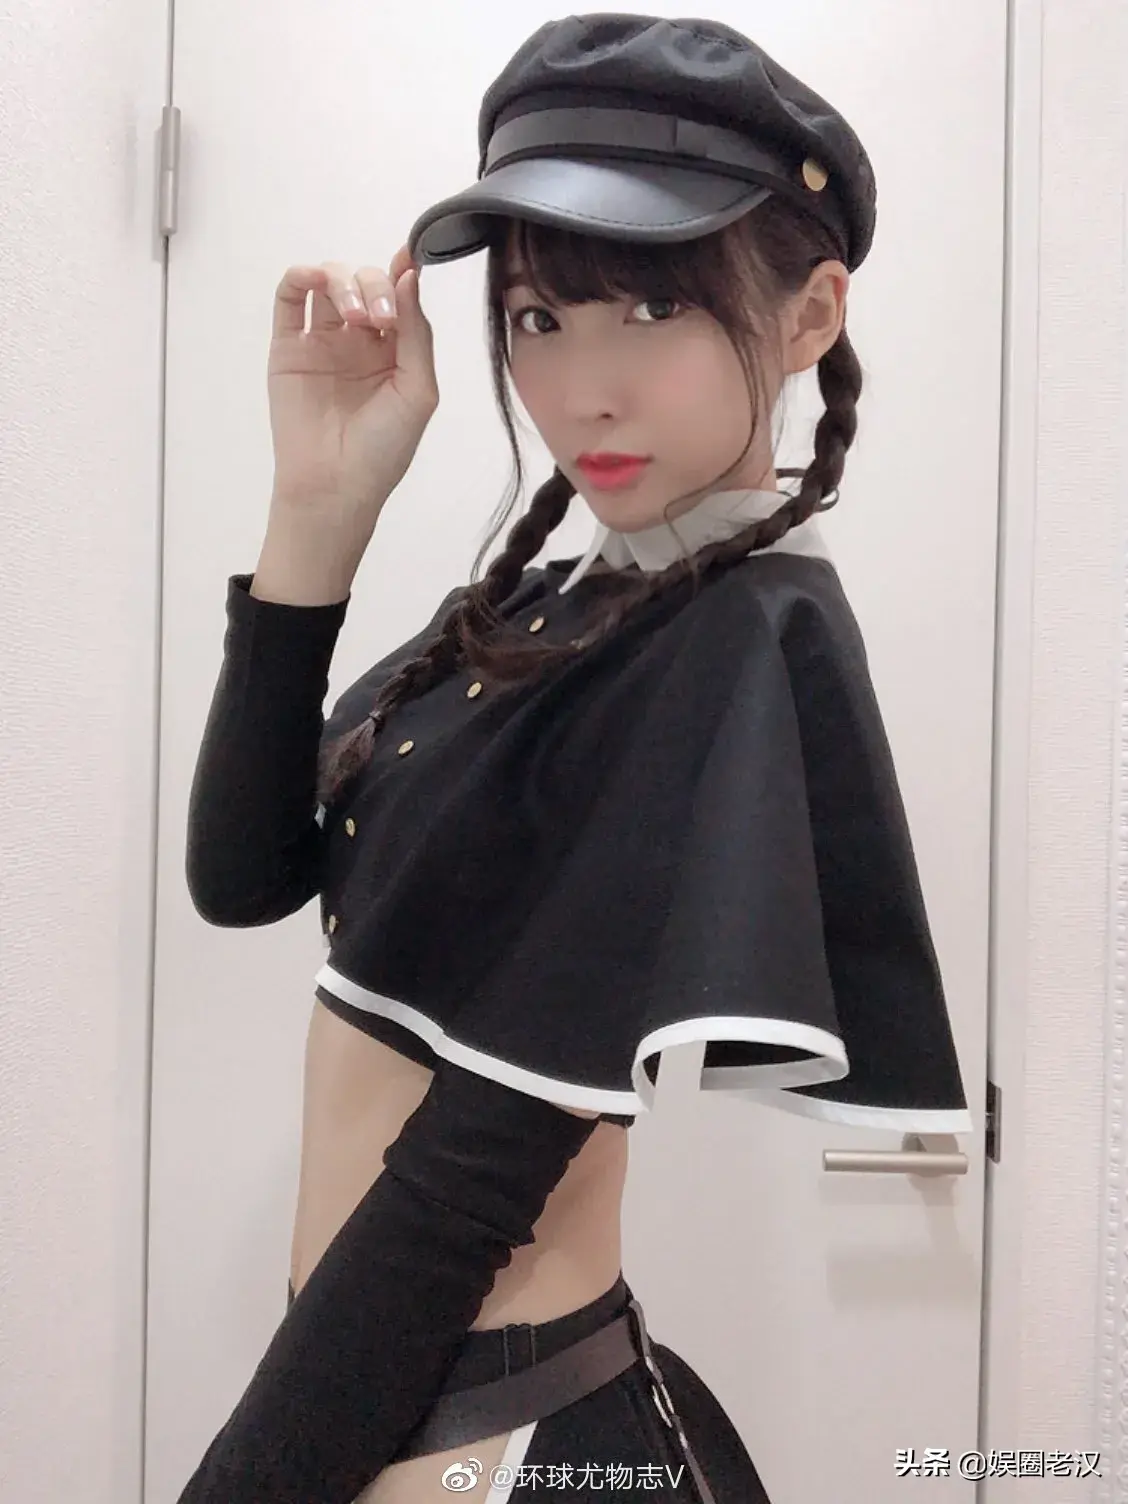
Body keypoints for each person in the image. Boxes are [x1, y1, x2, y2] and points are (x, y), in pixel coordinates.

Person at [177, 14, 971, 1503]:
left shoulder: (741, 645)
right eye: (540, 318)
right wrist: (316, 517)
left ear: (810, 315)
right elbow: (246, 876)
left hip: (486, 1437)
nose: (581, 387)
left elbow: (463, 1188)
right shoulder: (559, 608)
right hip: (399, 1409)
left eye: (653, 308)